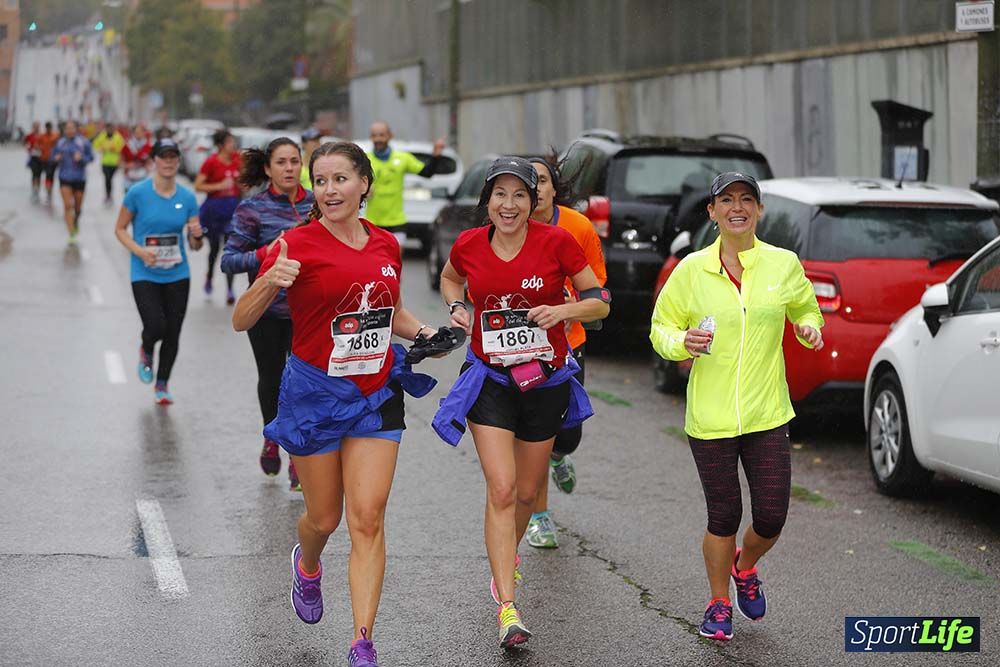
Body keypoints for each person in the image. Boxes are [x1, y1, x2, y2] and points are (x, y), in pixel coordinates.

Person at [232, 141, 448, 667]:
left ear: (363, 184)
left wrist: (426, 331)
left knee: (368, 519)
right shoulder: (294, 243)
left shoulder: (386, 245)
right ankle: (307, 565)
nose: (329, 190)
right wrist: (268, 282)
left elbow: (389, 308)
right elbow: (241, 319)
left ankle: (362, 642)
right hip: (315, 395)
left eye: (339, 179)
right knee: (324, 519)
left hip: (376, 393)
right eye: (321, 181)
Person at [434, 156, 610, 648]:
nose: (508, 205)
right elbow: (451, 278)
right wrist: (457, 306)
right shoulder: (470, 244)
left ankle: (505, 554)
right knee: (504, 488)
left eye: (519, 196)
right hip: (489, 379)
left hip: (545, 382)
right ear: (487, 201)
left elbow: (601, 301)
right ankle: (508, 606)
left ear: (534, 202)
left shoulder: (558, 242)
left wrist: (564, 310)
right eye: (500, 195)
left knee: (529, 493)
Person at [650, 172, 824, 641]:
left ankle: (744, 568)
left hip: (767, 412)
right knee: (723, 516)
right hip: (711, 418)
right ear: (712, 211)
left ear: (759, 211)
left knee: (771, 516)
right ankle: (718, 603)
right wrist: (681, 341)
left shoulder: (783, 264)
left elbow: (808, 310)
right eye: (726, 200)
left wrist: (810, 329)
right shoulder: (692, 270)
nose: (737, 207)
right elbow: (660, 329)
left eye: (747, 199)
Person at [523, 155, 607, 550]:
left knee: (566, 435)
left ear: (554, 188)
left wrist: (565, 308)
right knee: (534, 433)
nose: (534, 188)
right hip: (522, 349)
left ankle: (559, 456)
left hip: (569, 344)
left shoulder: (577, 226)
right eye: (527, 181)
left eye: (541, 180)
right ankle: (540, 516)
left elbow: (598, 288)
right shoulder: (506, 226)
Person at [222, 137, 313, 491]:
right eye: (282, 162)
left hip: (308, 314)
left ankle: (296, 456)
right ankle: (272, 437)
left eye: (295, 161)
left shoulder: (318, 205)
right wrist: (265, 254)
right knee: (273, 380)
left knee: (302, 385)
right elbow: (228, 261)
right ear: (268, 169)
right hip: (266, 311)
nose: (290, 168)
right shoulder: (252, 209)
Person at [114, 138, 203, 405]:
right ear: (154, 161)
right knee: (155, 325)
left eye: (173, 157)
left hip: (178, 273)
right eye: (163, 157)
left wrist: (197, 236)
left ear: (178, 161)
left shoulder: (187, 197)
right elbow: (119, 229)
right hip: (145, 273)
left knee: (173, 331)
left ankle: (162, 383)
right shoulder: (137, 193)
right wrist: (140, 252)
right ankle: (146, 347)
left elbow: (195, 244)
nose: (168, 162)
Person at [365, 120, 444, 245]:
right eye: (374, 135)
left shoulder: (402, 158)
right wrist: (363, 191)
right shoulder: (365, 160)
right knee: (374, 261)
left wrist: (436, 156)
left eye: (381, 135)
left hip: (397, 220)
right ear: (370, 137)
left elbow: (427, 173)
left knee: (396, 259)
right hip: (373, 221)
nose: (378, 139)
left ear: (390, 136)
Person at [195, 129, 242, 303]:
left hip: (233, 211)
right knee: (214, 249)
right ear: (221, 145)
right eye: (230, 142)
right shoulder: (211, 162)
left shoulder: (238, 160)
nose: (233, 145)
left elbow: (244, 182)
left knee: (230, 250)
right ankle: (209, 277)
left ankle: (230, 289)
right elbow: (198, 186)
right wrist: (219, 185)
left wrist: (241, 183)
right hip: (214, 211)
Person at [50, 120, 94, 244]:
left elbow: (91, 157)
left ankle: (76, 220)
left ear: (76, 129)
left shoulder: (83, 142)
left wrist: (82, 159)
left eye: (72, 128)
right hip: (64, 177)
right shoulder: (60, 143)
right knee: (67, 205)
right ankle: (71, 233)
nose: (69, 130)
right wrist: (55, 159)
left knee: (77, 207)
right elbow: (52, 157)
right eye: (67, 128)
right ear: (64, 130)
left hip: (80, 178)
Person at [92, 121, 125, 204]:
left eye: (111, 128)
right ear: (106, 129)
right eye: (108, 128)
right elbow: (95, 144)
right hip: (105, 162)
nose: (110, 130)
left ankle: (109, 194)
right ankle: (108, 195)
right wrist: (102, 148)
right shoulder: (102, 136)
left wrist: (115, 149)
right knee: (107, 178)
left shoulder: (118, 136)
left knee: (110, 179)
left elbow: (123, 147)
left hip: (115, 162)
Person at [121, 124, 153, 193]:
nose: (139, 134)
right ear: (133, 133)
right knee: (129, 202)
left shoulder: (148, 146)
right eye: (137, 132)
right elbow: (120, 162)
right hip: (129, 180)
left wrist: (148, 167)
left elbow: (151, 162)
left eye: (141, 132)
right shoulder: (127, 145)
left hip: (142, 178)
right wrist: (127, 165)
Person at [37, 122, 60, 203]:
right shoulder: (42, 136)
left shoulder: (56, 135)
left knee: (51, 176)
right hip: (44, 159)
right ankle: (48, 191)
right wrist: (40, 148)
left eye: (50, 128)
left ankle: (50, 191)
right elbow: (38, 146)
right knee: (47, 175)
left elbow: (59, 145)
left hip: (53, 160)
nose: (49, 129)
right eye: (47, 128)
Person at [24, 121, 45, 202]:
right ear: (33, 127)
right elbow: (26, 143)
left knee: (39, 175)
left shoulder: (42, 135)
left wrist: (40, 147)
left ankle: (37, 190)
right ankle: (34, 189)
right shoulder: (29, 136)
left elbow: (45, 145)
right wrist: (29, 148)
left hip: (41, 157)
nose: (36, 128)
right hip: (33, 157)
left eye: (37, 126)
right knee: (34, 174)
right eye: (34, 126)